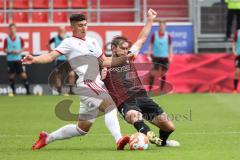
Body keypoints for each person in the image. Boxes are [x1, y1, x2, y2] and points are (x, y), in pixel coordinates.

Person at [22, 14, 134, 150]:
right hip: (87, 83)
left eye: (85, 25)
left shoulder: (93, 41)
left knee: (81, 129)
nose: (84, 28)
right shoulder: (69, 42)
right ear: (72, 27)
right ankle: (119, 140)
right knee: (110, 106)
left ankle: (48, 137)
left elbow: (105, 61)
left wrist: (119, 60)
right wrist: (34, 59)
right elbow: (51, 56)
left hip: (94, 84)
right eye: (80, 25)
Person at [102, 10, 179, 147]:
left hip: (143, 98)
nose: (126, 51)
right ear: (113, 48)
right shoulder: (104, 63)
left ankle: (162, 142)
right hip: (125, 102)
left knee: (169, 127)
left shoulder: (129, 57)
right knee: (134, 116)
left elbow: (142, 39)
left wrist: (150, 19)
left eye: (127, 48)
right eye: (123, 48)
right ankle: (147, 135)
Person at [47, 26, 76, 95]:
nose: (61, 31)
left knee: (72, 74)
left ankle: (71, 90)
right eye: (60, 30)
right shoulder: (55, 38)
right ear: (58, 30)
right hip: (59, 59)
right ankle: (59, 91)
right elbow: (48, 44)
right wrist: (51, 51)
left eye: (62, 30)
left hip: (67, 60)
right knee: (58, 75)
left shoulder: (68, 38)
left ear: (65, 30)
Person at [3, 23, 30, 96]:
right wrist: (10, 51)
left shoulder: (19, 38)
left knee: (23, 74)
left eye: (13, 28)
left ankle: (28, 91)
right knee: (11, 75)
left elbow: (23, 47)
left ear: (15, 29)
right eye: (11, 29)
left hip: (18, 59)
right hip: (10, 60)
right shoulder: (6, 39)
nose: (12, 30)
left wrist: (19, 51)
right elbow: (4, 49)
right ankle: (13, 92)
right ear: (9, 29)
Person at [147, 20, 173, 93]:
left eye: (163, 26)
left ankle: (161, 90)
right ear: (159, 26)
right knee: (152, 73)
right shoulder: (154, 35)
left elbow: (170, 46)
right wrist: (148, 54)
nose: (161, 27)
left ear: (165, 26)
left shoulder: (168, 36)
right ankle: (150, 89)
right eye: (160, 26)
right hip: (156, 57)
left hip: (164, 57)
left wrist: (171, 56)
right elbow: (150, 45)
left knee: (163, 74)